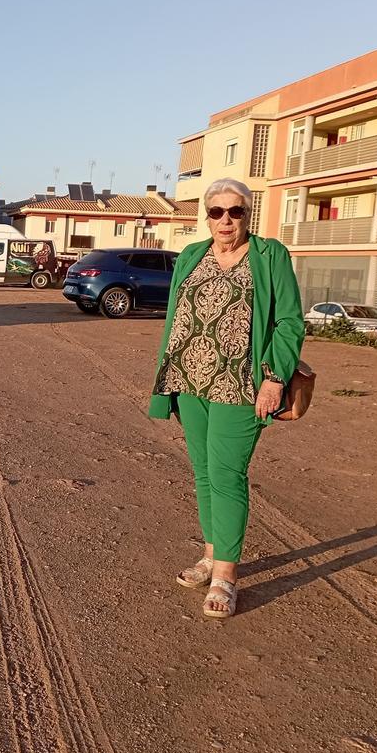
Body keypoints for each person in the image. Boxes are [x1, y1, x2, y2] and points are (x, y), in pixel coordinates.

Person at [148, 177, 304, 618]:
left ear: (248, 215)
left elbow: (289, 321)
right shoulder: (193, 255)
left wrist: (274, 378)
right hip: (192, 380)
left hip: (240, 385)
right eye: (216, 211)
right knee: (202, 472)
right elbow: (177, 316)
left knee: (227, 473)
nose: (225, 220)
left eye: (235, 211)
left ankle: (225, 577)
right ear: (206, 215)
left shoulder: (269, 254)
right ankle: (211, 553)